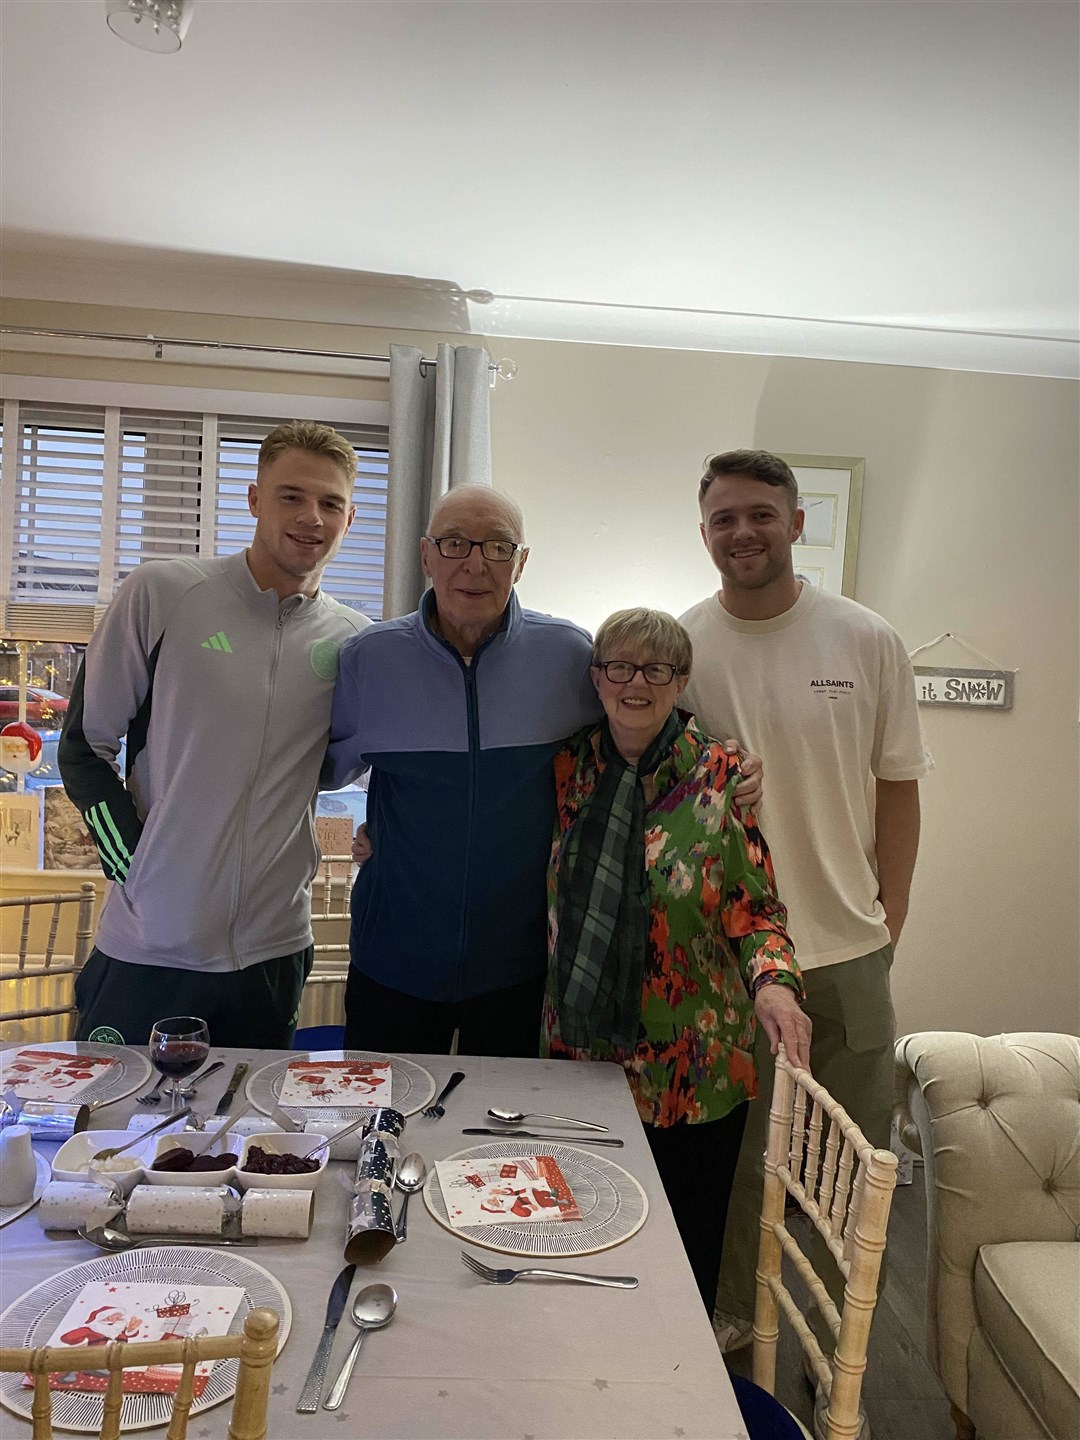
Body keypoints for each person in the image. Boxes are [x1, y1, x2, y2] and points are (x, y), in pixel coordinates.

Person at [325, 484, 766, 1057]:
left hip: (523, 970)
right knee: (382, 1131)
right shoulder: (369, 658)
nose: (475, 564)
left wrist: (724, 766)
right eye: (455, 543)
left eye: (498, 546)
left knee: (500, 1142)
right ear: (426, 554)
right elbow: (322, 769)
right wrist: (373, 832)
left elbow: (638, 738)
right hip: (393, 962)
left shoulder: (566, 654)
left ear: (522, 562)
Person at [678, 448, 932, 1346]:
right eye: (723, 518)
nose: (742, 531)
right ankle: (740, 1322)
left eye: (759, 513)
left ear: (795, 523)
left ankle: (833, 1329)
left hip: (848, 950)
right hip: (730, 956)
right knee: (743, 1157)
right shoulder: (683, 646)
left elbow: (898, 785)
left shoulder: (866, 638)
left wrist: (888, 920)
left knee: (852, 1154)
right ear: (703, 532)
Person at [59, 421, 369, 1049]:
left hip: (274, 949)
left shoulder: (353, 640)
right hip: (149, 945)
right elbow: (83, 747)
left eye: (330, 503)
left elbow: (333, 766)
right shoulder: (164, 593)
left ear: (350, 517)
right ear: (254, 499)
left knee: (246, 1142)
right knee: (113, 1138)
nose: (311, 517)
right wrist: (136, 864)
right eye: (291, 496)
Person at [542, 607, 810, 1312]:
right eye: (620, 667)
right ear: (597, 679)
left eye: (655, 669)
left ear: (680, 680)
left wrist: (776, 987)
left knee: (686, 1254)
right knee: (583, 1233)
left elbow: (755, 910)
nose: (636, 683)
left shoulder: (721, 776)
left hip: (696, 1065)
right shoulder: (569, 766)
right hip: (583, 1057)